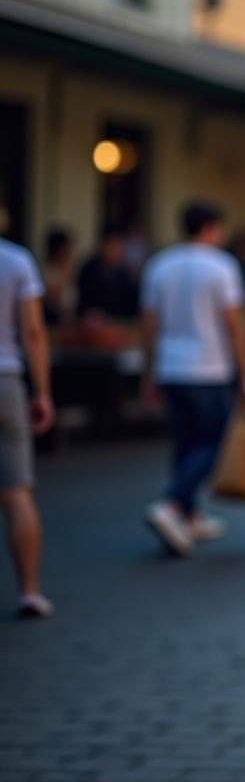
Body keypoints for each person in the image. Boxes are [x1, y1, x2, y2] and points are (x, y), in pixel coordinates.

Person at [140, 201, 245, 557]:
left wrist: (150, 370)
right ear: (210, 227)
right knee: (213, 441)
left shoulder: (159, 264)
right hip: (208, 367)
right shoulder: (221, 266)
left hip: (170, 366)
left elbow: (149, 323)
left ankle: (188, 515)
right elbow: (234, 324)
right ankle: (172, 504)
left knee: (185, 442)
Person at [0, 209, 55, 617]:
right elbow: (33, 332)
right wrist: (42, 392)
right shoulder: (16, 260)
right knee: (17, 491)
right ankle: (30, 591)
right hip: (6, 380)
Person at [77, 228, 138, 322]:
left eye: (119, 246)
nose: (115, 251)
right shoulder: (89, 270)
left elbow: (130, 308)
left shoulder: (124, 275)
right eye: (112, 246)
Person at [39, 229, 74, 327]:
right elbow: (49, 299)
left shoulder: (69, 269)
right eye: (66, 250)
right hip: (51, 322)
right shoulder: (46, 271)